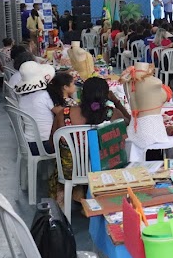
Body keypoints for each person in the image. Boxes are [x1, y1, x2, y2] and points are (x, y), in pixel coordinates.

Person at [49, 76, 130, 204]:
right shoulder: (113, 114)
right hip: (104, 169)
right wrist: (115, 100)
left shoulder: (64, 113)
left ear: (82, 94)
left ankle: (78, 194)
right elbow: (128, 120)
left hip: (71, 171)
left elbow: (52, 144)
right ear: (106, 96)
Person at [15, 61, 57, 155]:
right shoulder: (44, 95)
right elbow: (61, 112)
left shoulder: (22, 99)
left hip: (29, 144)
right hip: (47, 144)